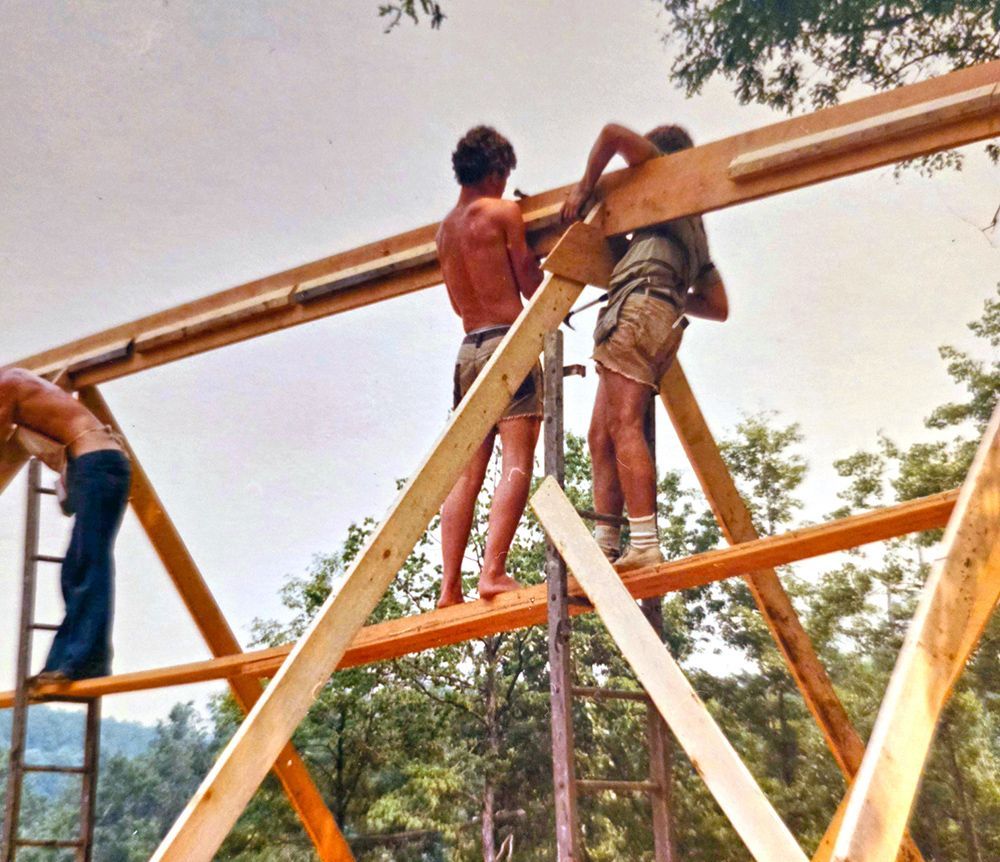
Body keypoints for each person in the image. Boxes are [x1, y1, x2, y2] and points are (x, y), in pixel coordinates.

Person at [562, 123, 729, 572]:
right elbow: (718, 305)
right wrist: (670, 289)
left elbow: (613, 134)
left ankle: (645, 543)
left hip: (636, 314)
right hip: (658, 319)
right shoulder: (690, 228)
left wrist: (584, 189)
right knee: (602, 435)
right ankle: (607, 545)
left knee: (622, 426)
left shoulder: (663, 178)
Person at [436, 126, 545, 607]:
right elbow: (528, 282)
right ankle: (493, 572)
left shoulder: (443, 231)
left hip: (468, 348)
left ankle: (449, 587)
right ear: (496, 170)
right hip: (506, 342)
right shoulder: (503, 212)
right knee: (516, 461)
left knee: (465, 472)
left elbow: (458, 298)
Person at [0, 368, 131, 684]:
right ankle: (66, 662)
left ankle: (83, 662)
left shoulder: (6, 384)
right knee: (78, 566)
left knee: (87, 563)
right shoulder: (22, 383)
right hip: (97, 465)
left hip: (96, 464)